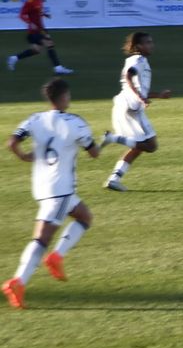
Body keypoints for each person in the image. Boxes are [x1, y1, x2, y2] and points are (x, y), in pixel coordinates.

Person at [4, 77, 101, 308]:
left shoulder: (35, 119)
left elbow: (12, 142)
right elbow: (94, 152)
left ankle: (56, 257)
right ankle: (18, 281)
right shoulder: (75, 122)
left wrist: (23, 155)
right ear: (65, 96)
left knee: (84, 216)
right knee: (41, 238)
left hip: (43, 186)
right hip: (60, 189)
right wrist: (101, 143)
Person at [100, 31, 171, 192]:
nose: (151, 45)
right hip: (131, 108)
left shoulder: (138, 60)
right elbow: (128, 76)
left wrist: (158, 95)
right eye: (148, 42)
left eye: (151, 42)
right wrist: (140, 97)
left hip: (126, 105)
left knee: (139, 147)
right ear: (138, 46)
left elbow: (139, 88)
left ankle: (114, 178)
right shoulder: (138, 60)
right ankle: (113, 138)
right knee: (151, 146)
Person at [7, 0, 70, 75]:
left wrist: (44, 14)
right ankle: (58, 68)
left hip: (41, 29)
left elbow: (38, 11)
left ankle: (14, 58)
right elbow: (21, 15)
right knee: (49, 44)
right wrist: (30, 23)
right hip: (34, 31)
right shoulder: (29, 1)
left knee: (36, 50)